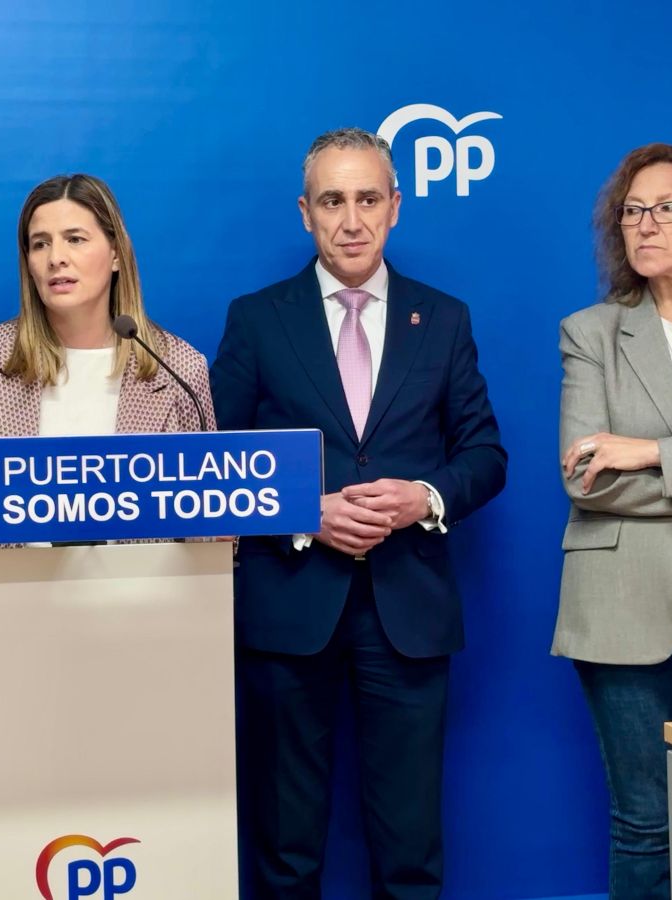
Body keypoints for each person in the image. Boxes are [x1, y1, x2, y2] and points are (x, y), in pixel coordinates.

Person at [211, 126, 506, 899]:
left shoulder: (444, 318)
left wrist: (423, 499)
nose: (351, 220)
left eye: (368, 200)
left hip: (408, 609)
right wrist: (302, 512)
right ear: (304, 212)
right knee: (286, 851)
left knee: (409, 851)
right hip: (288, 608)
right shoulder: (257, 319)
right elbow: (215, 466)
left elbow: (484, 455)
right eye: (332, 201)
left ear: (395, 207)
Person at [0, 173, 214, 729]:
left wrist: (230, 529)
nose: (56, 257)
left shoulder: (177, 367)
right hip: (3, 635)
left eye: (75, 238)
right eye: (40, 243)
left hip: (141, 639)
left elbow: (208, 520)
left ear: (115, 254)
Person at [554, 143, 672, 898]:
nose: (646, 224)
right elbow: (585, 479)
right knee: (642, 823)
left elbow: (620, 465)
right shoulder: (590, 332)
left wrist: (647, 453)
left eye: (667, 208)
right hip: (621, 602)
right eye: (632, 211)